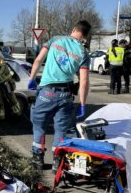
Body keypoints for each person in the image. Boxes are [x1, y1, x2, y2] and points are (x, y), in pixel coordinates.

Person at [27, 20, 92, 172]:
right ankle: (58, 162)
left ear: (74, 29)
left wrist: (31, 79)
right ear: (85, 36)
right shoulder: (83, 52)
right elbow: (84, 81)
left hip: (46, 93)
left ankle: (38, 160)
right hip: (65, 94)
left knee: (39, 125)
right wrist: (83, 103)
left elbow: (38, 60)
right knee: (61, 129)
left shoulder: (55, 40)